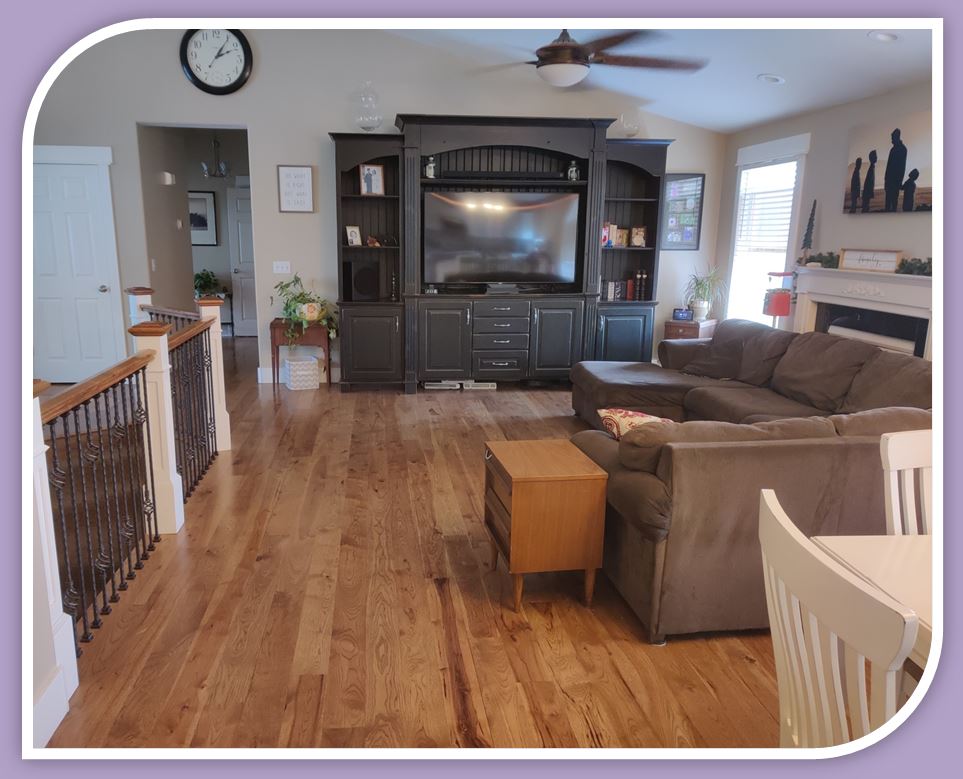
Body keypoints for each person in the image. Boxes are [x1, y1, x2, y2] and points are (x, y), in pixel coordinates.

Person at [884, 128, 908, 212]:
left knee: (893, 205)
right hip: (890, 182)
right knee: (888, 205)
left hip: (894, 182)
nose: (891, 139)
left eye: (892, 137)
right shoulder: (894, 149)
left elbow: (901, 167)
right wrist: (886, 180)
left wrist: (898, 182)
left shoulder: (902, 149)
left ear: (896, 137)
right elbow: (889, 166)